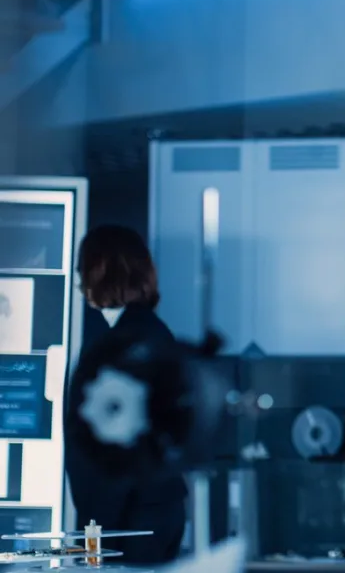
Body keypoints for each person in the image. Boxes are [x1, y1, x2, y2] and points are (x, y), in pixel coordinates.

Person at [65, 225, 186, 565]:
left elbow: (115, 446)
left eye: (83, 267)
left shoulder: (126, 343)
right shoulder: (147, 333)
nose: (78, 279)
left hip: (129, 519)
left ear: (104, 271)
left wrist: (94, 540)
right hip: (146, 514)